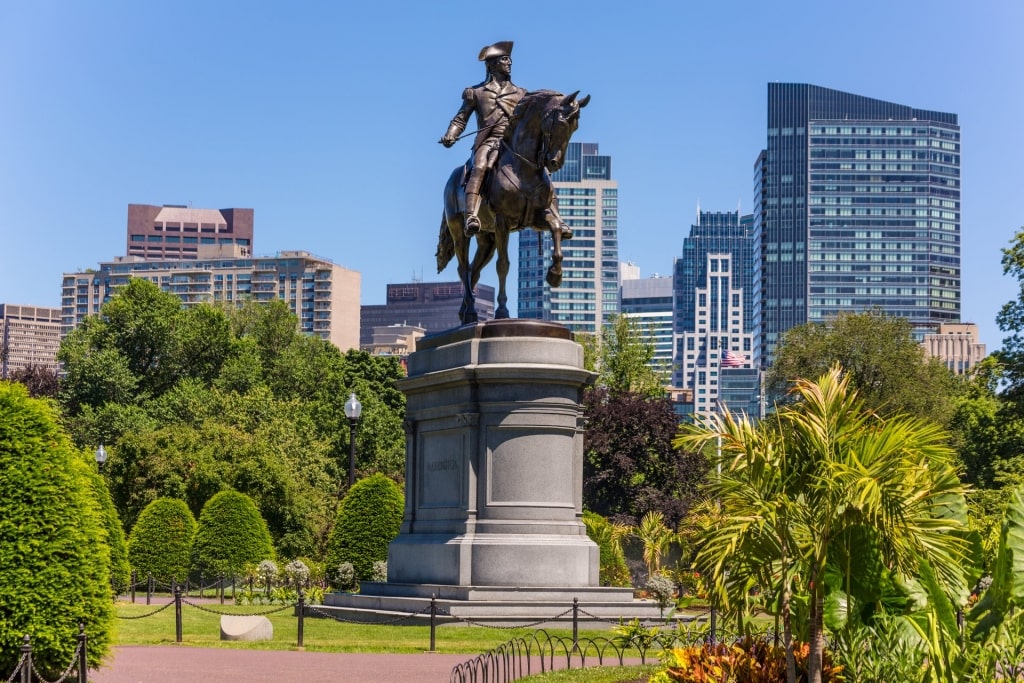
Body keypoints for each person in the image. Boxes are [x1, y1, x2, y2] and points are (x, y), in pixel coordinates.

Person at [440, 41, 526, 236]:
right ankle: (471, 215)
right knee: (479, 166)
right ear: (492, 64)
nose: (509, 62)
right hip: (488, 142)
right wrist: (450, 135)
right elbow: (460, 119)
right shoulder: (476, 92)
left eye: (509, 58)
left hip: (512, 145)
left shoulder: (521, 93)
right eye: (505, 59)